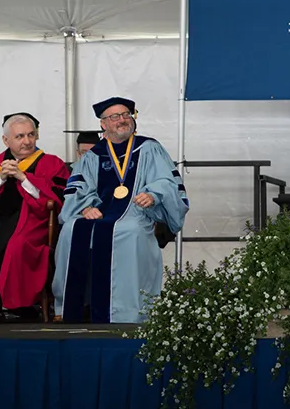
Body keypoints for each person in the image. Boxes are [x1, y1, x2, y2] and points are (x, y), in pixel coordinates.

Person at [53, 97, 189, 323]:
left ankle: (127, 312)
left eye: (127, 114)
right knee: (71, 230)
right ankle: (75, 307)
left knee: (129, 232)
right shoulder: (93, 155)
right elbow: (77, 187)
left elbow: (167, 181)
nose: (122, 120)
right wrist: (85, 207)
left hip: (135, 213)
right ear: (103, 124)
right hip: (99, 212)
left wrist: (153, 195)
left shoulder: (149, 148)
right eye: (115, 117)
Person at [0, 114, 69, 320]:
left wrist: (23, 177)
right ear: (6, 140)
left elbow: (55, 200)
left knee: (16, 245)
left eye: (31, 135)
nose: (27, 141)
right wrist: (0, 176)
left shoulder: (51, 163)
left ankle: (9, 304)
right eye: (20, 136)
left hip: (32, 220)